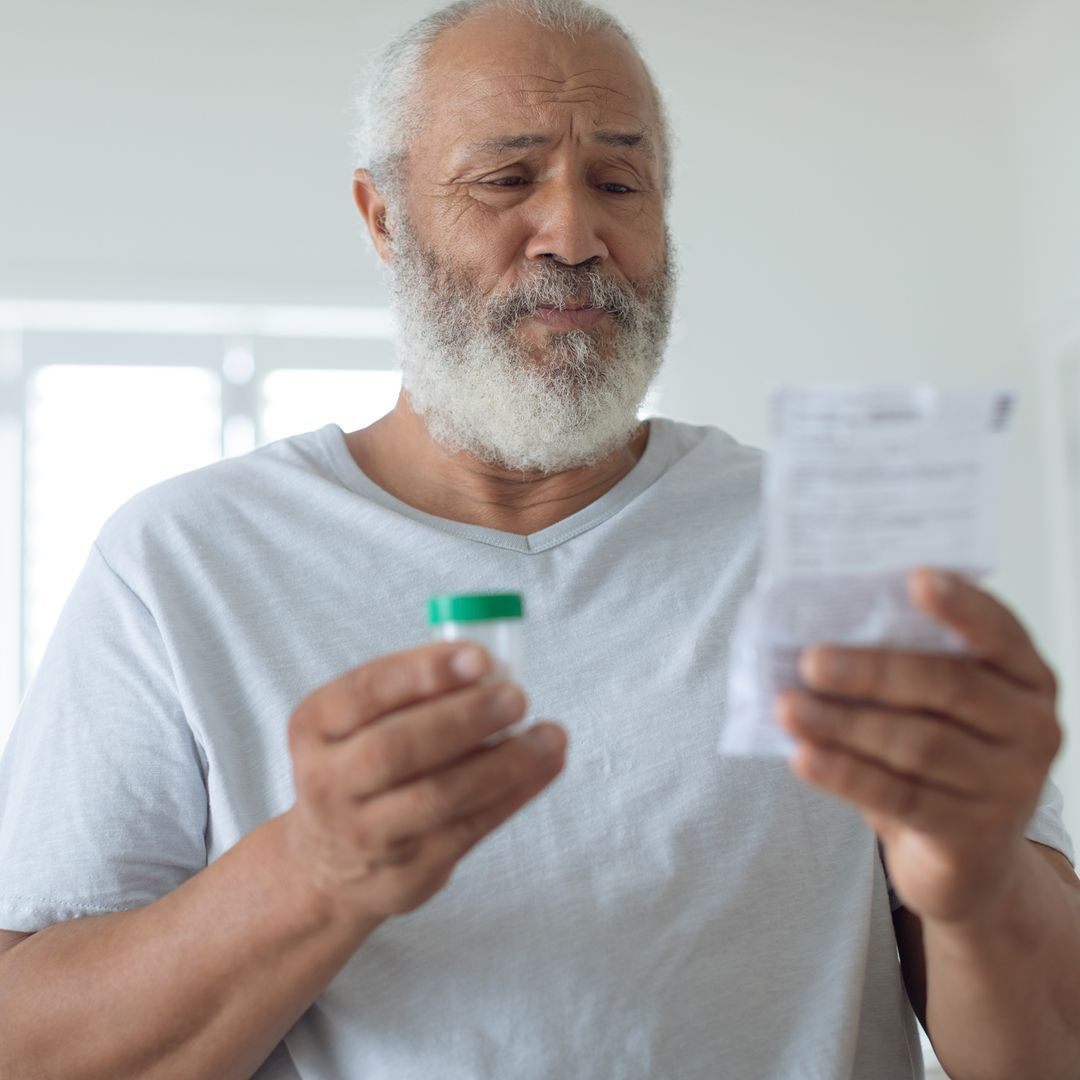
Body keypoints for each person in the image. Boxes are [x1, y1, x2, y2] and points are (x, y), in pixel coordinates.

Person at [0, 1, 1078, 1077]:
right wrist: (311, 875)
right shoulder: (181, 561)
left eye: (619, 182)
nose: (572, 235)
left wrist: (979, 882)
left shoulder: (837, 541)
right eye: (506, 180)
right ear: (384, 219)